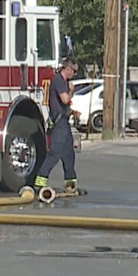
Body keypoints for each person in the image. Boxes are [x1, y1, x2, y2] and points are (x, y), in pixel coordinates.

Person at [34, 57, 80, 191]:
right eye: (75, 71)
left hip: (63, 121)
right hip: (59, 123)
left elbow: (62, 105)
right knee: (55, 153)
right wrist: (71, 91)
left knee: (68, 154)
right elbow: (65, 99)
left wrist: (72, 112)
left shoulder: (62, 81)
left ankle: (70, 183)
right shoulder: (59, 80)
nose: (75, 75)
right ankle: (40, 182)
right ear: (69, 69)